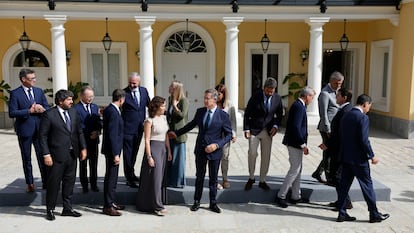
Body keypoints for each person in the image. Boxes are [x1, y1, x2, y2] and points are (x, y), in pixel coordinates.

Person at [169, 89, 232, 214]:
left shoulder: (223, 115)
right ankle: (196, 201)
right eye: (204, 98)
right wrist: (176, 133)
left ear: (215, 99)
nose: (205, 100)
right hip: (200, 150)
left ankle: (213, 203)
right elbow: (190, 125)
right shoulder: (200, 112)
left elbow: (229, 135)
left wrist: (217, 145)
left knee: (213, 179)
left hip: (215, 152)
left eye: (208, 98)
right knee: (200, 177)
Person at [336, 94, 390, 223]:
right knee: (367, 186)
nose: (369, 109)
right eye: (369, 107)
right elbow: (364, 140)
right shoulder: (362, 118)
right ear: (365, 104)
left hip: (346, 157)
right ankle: (374, 214)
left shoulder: (346, 115)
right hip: (359, 159)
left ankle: (342, 213)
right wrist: (371, 155)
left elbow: (341, 136)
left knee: (344, 187)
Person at [39, 89, 87, 221]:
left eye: (72, 99)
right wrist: (46, 154)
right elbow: (42, 136)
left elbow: (79, 131)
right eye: (69, 99)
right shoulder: (49, 115)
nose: (72, 102)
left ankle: (67, 208)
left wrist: (83, 148)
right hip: (55, 156)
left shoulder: (73, 112)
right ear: (60, 101)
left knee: (69, 182)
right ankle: (50, 209)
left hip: (72, 154)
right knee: (54, 184)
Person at [8, 68, 49, 192]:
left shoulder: (39, 91)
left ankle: (46, 181)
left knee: (42, 156)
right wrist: (29, 111)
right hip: (24, 130)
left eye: (35, 78)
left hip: (39, 130)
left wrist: (42, 109)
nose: (34, 81)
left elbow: (47, 107)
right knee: (27, 158)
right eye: (32, 79)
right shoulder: (15, 93)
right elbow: (12, 112)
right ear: (23, 79)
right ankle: (30, 183)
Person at [275, 87, 315, 208]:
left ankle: (295, 196)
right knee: (294, 170)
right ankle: (281, 195)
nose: (312, 100)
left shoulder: (299, 105)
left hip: (295, 142)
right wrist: (302, 144)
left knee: (298, 170)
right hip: (295, 143)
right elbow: (296, 127)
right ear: (306, 96)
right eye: (312, 97)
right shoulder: (299, 106)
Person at [243, 77, 284, 191]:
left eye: (272, 91)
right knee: (252, 153)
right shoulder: (255, 97)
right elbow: (247, 114)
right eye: (268, 90)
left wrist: (276, 126)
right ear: (263, 88)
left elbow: (279, 114)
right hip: (254, 130)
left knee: (266, 156)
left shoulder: (277, 98)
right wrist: (246, 129)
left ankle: (262, 180)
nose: (270, 93)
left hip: (268, 131)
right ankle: (251, 178)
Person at [136, 96, 172, 216]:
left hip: (163, 149)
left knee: (159, 177)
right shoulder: (149, 121)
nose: (164, 107)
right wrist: (149, 156)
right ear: (156, 107)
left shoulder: (164, 118)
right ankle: (158, 206)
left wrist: (169, 151)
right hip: (154, 149)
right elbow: (146, 140)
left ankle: (154, 202)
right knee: (155, 178)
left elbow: (166, 135)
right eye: (162, 106)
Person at [319, 88, 353, 210]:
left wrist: (328, 144)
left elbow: (340, 134)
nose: (335, 97)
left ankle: (345, 202)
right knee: (335, 176)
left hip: (339, 150)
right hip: (336, 149)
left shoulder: (346, 111)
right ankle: (342, 201)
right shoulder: (343, 109)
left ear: (344, 97)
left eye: (338, 95)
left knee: (337, 177)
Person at [312, 71, 344, 183]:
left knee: (331, 151)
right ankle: (328, 176)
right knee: (328, 151)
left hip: (334, 127)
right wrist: (328, 129)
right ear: (331, 81)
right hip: (327, 128)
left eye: (340, 84)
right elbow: (323, 113)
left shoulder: (337, 92)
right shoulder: (325, 93)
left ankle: (318, 172)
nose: (339, 86)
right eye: (337, 83)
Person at [122, 72, 150, 188]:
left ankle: (132, 173)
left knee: (134, 152)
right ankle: (128, 178)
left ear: (139, 82)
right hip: (127, 129)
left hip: (139, 129)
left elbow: (149, 104)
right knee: (128, 154)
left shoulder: (143, 91)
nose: (132, 85)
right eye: (130, 83)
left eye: (134, 83)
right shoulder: (123, 93)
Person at [102, 89, 126, 216]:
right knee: (111, 178)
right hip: (113, 150)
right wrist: (115, 154)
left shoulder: (111, 110)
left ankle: (111, 202)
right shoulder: (112, 111)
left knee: (112, 177)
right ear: (121, 99)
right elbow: (112, 134)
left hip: (113, 149)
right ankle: (108, 205)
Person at [74, 86, 102, 193]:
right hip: (83, 141)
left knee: (94, 164)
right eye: (88, 96)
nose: (90, 98)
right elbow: (76, 126)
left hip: (94, 140)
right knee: (83, 164)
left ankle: (94, 184)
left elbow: (99, 122)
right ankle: (84, 185)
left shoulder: (95, 107)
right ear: (81, 96)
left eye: (92, 96)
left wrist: (98, 131)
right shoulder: (76, 109)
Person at [166, 81, 189, 188]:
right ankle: (170, 180)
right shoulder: (170, 99)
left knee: (178, 160)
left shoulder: (184, 101)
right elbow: (169, 115)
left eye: (171, 86)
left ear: (176, 89)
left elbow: (182, 115)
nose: (169, 87)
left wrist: (175, 106)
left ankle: (179, 182)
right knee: (170, 158)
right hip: (170, 133)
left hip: (179, 135)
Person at [215, 84, 237, 189]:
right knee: (215, 158)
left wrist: (234, 133)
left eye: (219, 94)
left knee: (225, 157)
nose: (218, 96)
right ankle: (215, 180)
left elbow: (233, 120)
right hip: (214, 135)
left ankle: (225, 178)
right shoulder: (213, 104)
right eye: (216, 93)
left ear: (224, 94)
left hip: (225, 136)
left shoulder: (229, 105)